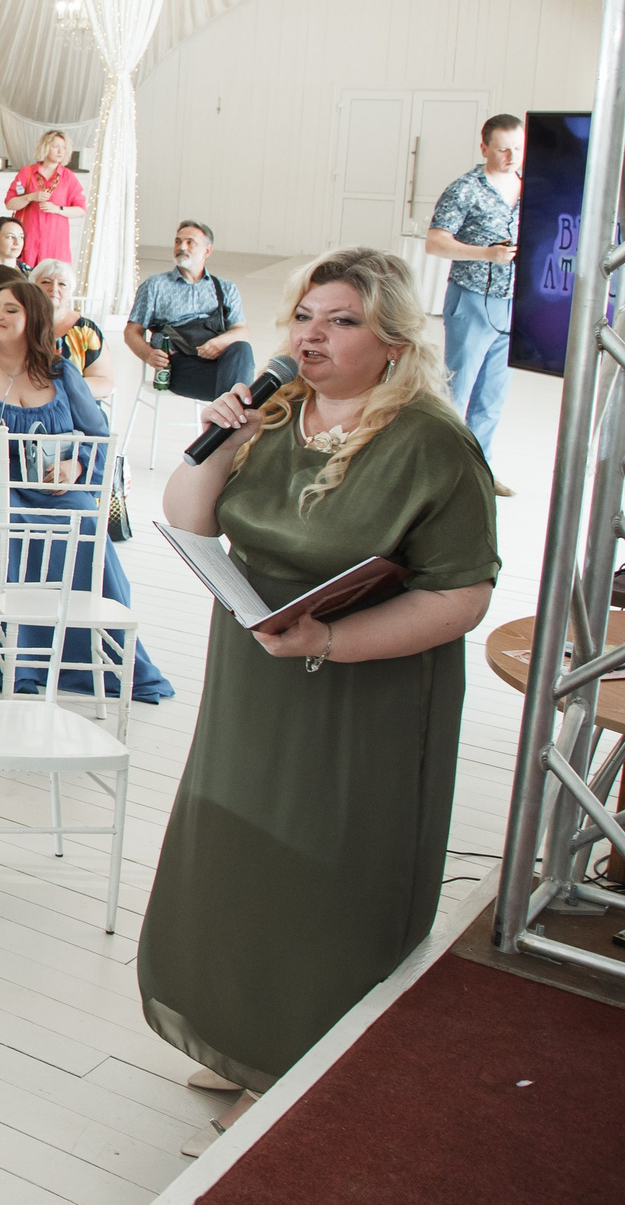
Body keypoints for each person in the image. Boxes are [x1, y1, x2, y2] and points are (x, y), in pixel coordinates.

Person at [142, 247, 496, 1153]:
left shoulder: (432, 443)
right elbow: (189, 516)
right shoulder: (275, 411)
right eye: (305, 315)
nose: (312, 335)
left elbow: (463, 595)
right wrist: (223, 435)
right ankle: (241, 1029)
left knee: (320, 879)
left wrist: (332, 641)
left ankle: (295, 1070)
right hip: (257, 675)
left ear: (392, 338)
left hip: (361, 697)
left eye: (340, 320)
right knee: (240, 855)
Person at [0, 276, 172, 703]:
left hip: (53, 484)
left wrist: (75, 465)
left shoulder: (61, 371)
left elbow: (99, 436)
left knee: (86, 522)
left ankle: (90, 651)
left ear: (35, 319)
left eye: (11, 309)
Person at [424, 113, 522, 451]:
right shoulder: (465, 189)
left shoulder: (533, 188)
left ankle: (481, 466)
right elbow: (435, 243)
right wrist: (486, 254)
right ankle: (442, 464)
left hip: (513, 303)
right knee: (457, 391)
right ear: (484, 149)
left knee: (492, 396)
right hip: (472, 298)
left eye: (518, 149)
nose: (511, 157)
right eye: (503, 149)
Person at [122, 220, 253, 404]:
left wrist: (219, 342)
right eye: (178, 241)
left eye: (190, 242)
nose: (182, 247)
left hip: (216, 362)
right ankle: (233, 412)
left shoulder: (226, 288)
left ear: (207, 251)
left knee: (242, 350)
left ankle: (228, 412)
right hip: (177, 366)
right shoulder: (155, 285)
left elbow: (242, 331)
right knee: (240, 390)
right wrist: (149, 355)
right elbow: (131, 332)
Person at [34, 261, 115, 402]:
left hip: (73, 406)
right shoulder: (20, 324)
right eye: (46, 282)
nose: (54, 288)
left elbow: (104, 383)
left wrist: (60, 389)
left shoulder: (86, 331)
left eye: (62, 284)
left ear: (70, 291)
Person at [4, 130, 85, 267]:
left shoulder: (68, 177)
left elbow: (81, 210)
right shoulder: (27, 172)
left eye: (64, 147)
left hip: (55, 244)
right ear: (45, 147)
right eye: (56, 146)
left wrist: (57, 209)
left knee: (52, 276)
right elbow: (10, 204)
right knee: (24, 278)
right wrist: (31, 197)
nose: (60, 151)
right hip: (28, 241)